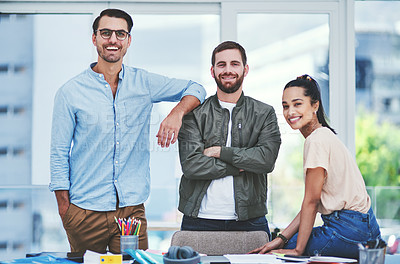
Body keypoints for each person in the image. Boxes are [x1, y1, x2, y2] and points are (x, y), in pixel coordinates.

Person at [49, 9, 206, 254]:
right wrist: (66, 210)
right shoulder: (70, 92)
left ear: (128, 40)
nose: (113, 40)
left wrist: (176, 113)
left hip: (131, 212)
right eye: (106, 33)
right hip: (84, 212)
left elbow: (195, 88)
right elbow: (58, 153)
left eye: (120, 34)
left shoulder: (143, 83)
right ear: (94, 38)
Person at [250, 74, 381, 258]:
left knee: (275, 254)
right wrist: (281, 238)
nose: (290, 112)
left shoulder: (316, 140)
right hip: (366, 229)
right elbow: (311, 203)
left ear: (315, 105)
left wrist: (297, 250)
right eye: (285, 106)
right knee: (282, 245)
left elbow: (311, 202)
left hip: (348, 231)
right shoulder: (324, 135)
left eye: (297, 104)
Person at [177, 41, 281, 239]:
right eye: (221, 64)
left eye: (234, 64)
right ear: (212, 70)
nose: (228, 70)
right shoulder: (195, 114)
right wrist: (239, 166)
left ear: (245, 69)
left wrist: (220, 152)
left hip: (250, 219)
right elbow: (191, 165)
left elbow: (266, 160)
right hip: (198, 219)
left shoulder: (264, 113)